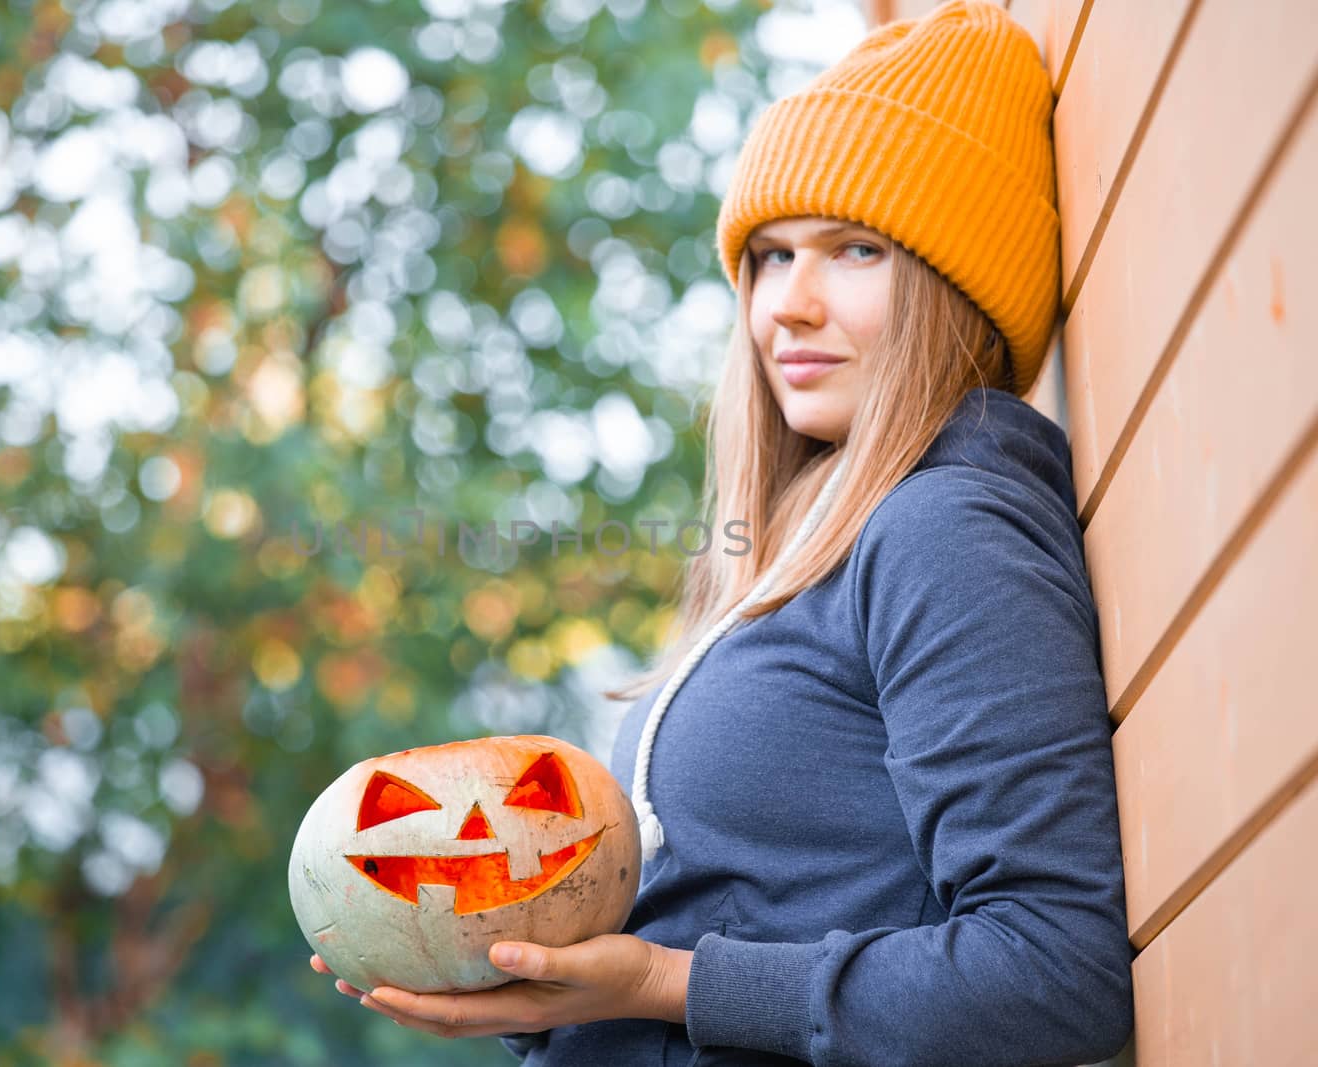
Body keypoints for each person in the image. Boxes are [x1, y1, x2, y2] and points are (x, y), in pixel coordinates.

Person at [310, 1, 1135, 1062]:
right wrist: (535, 986)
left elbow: (1054, 972)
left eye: (853, 250)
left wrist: (660, 980)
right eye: (770, 256)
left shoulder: (941, 528)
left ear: (953, 286)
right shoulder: (789, 555)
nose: (787, 305)